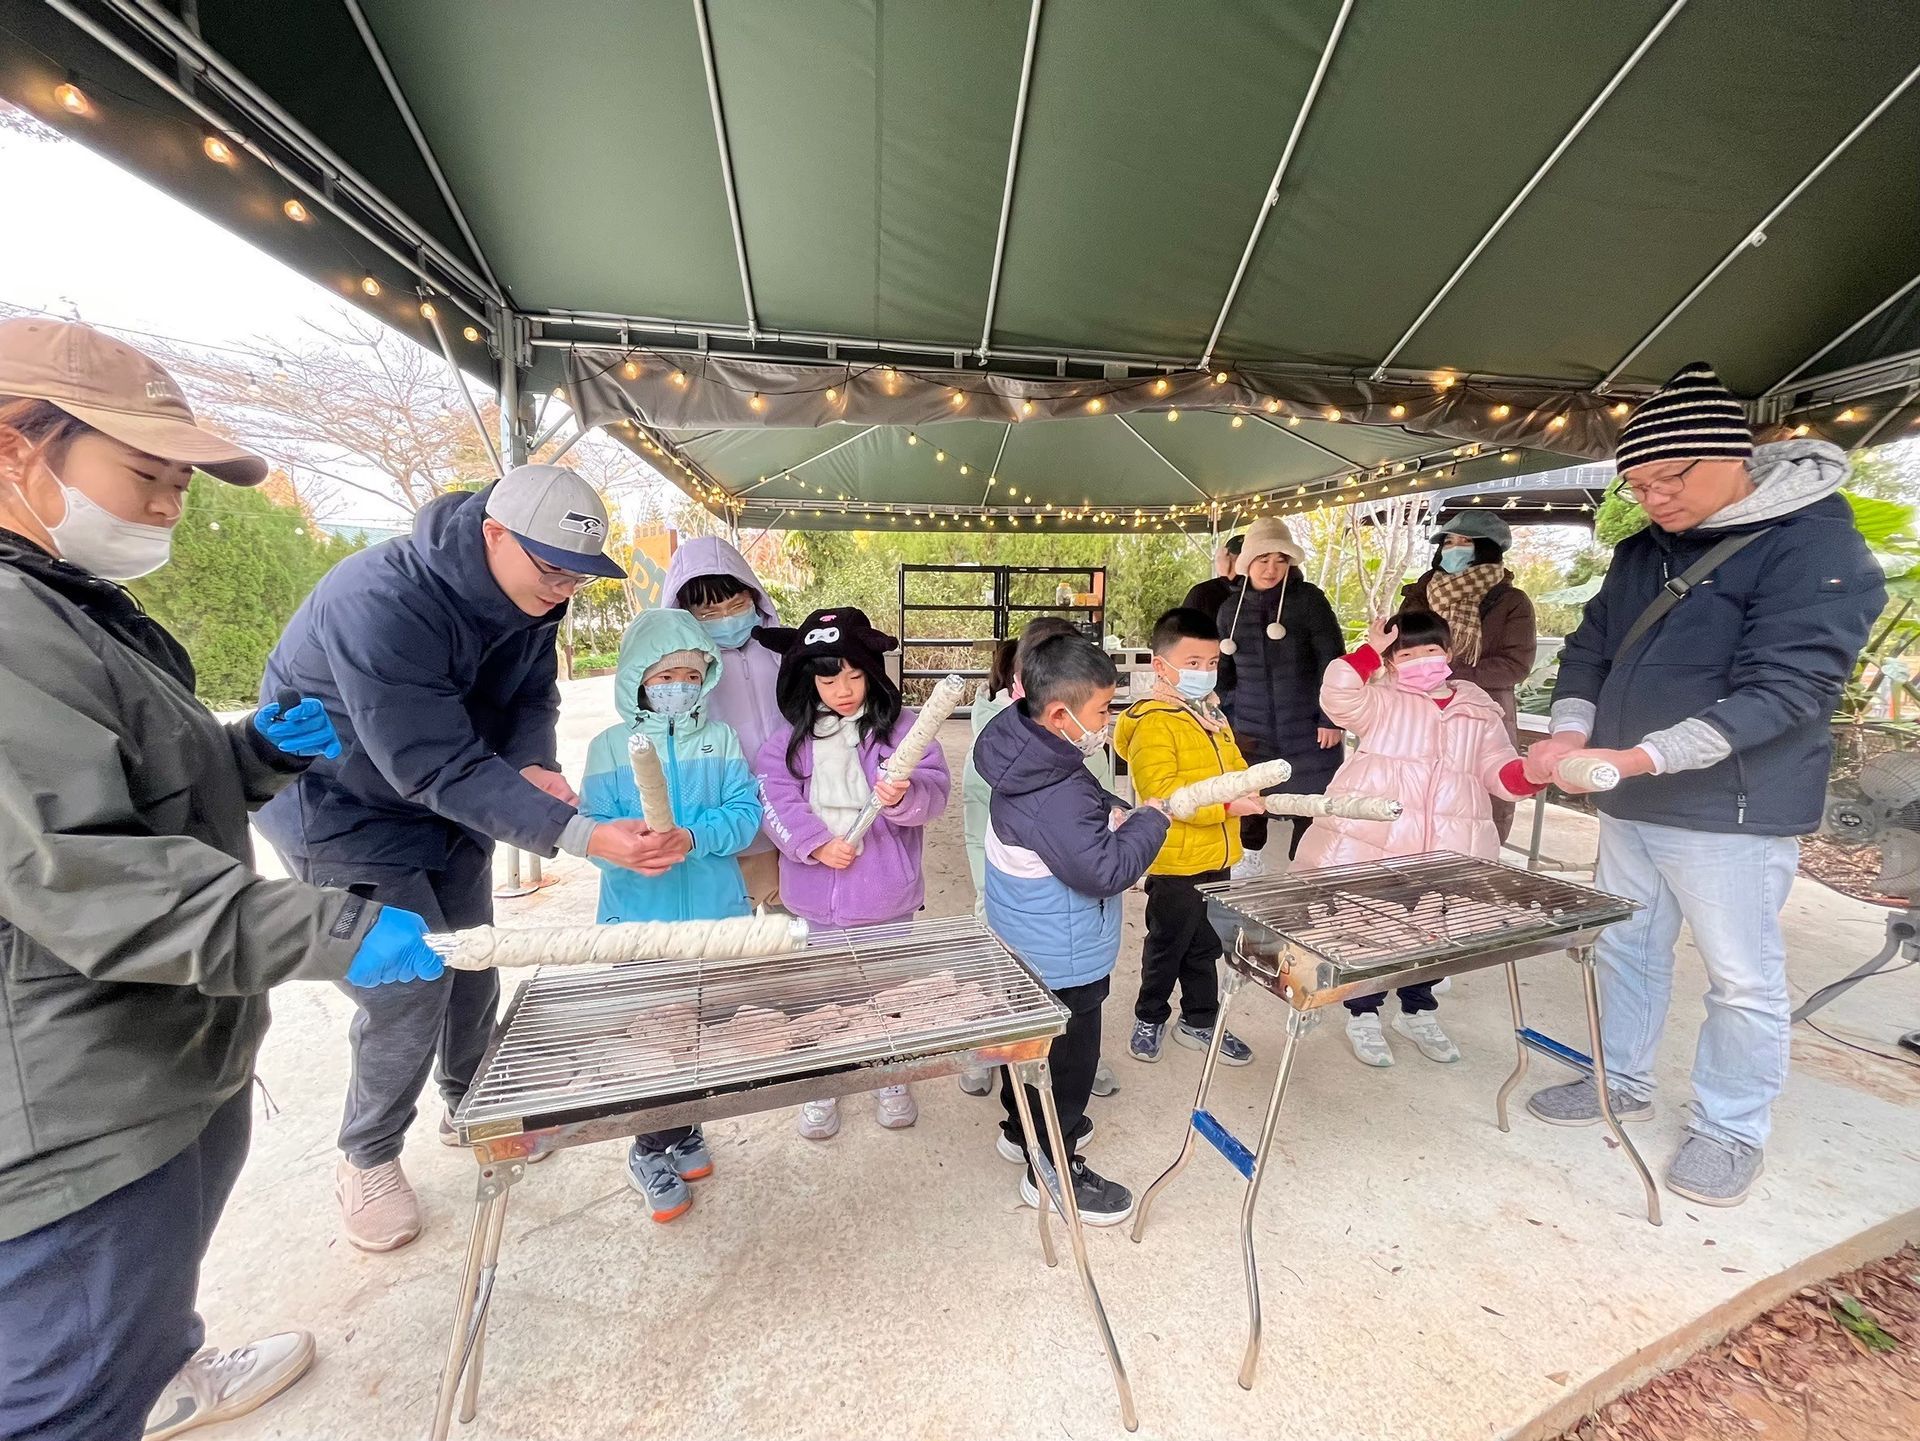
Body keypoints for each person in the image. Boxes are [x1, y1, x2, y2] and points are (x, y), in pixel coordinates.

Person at [0, 319, 440, 1441]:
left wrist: (246, 756)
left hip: (149, 1061)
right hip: (70, 1103)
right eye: (144, 474)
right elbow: (84, 872)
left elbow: (123, 792)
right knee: (65, 1386)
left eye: (179, 485)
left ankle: (165, 1366)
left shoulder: (64, 602)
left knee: (136, 1316)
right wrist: (333, 927)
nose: (165, 506)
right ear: (16, 447)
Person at [258, 463, 665, 1253]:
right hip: (341, 809)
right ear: (494, 535)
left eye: (578, 576)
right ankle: (368, 1153)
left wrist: (533, 764)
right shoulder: (378, 599)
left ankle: (472, 1102)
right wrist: (577, 833)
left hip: (450, 802)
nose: (564, 590)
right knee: (408, 982)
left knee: (473, 959)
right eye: (552, 570)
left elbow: (530, 698)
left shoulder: (535, 599)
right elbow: (431, 761)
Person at [1525, 363, 1884, 1208]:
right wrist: (1571, 732)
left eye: (1670, 478)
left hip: (1733, 808)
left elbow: (1787, 689)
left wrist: (1642, 756)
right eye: (1638, 484)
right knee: (1626, 945)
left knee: (1742, 977)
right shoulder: (1640, 551)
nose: (1653, 498)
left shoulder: (1814, 546)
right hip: (1629, 798)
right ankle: (1620, 1079)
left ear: (1732, 456)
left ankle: (1730, 1128)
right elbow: (1590, 648)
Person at [974, 636, 1170, 1225]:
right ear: (1061, 715)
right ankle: (1052, 1167)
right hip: (1064, 957)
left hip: (1025, 944)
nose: (1107, 722)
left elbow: (1081, 803)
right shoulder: (1055, 794)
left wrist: (1110, 808)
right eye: (1103, 710)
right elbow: (1105, 871)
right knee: (1068, 1063)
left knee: (1028, 1046)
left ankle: (1020, 1131)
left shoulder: (1026, 747)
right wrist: (1150, 821)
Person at [1296, 612, 1548, 1067]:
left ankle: (1417, 1011)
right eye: (1406, 654)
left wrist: (1531, 773)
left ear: (1449, 652)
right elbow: (1338, 695)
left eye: (1430, 650)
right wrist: (1370, 652)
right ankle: (1363, 1014)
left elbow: (1498, 768)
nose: (1420, 660)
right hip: (1378, 837)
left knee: (1438, 932)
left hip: (1453, 840)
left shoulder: (1478, 709)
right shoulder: (1381, 701)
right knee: (1369, 927)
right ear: (1392, 663)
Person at [579, 609, 763, 1222]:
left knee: (707, 1032)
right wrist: (626, 849)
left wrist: (692, 836)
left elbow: (745, 815)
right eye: (664, 675)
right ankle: (648, 1148)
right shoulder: (609, 748)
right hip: (640, 922)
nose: (679, 685)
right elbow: (591, 832)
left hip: (715, 917)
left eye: (691, 674)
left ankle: (683, 1129)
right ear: (637, 679)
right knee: (656, 1039)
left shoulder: (721, 740)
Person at [756, 608, 951, 1137]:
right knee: (823, 994)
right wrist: (814, 845)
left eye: (854, 675)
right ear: (806, 680)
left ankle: (891, 1074)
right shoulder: (788, 741)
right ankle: (825, 1078)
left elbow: (935, 792)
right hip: (813, 902)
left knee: (888, 991)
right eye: (827, 679)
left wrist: (905, 796)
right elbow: (773, 797)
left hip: (886, 898)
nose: (842, 690)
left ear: (873, 673)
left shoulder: (905, 731)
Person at [961, 617, 1122, 1098]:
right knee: (1007, 971)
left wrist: (1115, 818)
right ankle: (991, 1047)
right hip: (1017, 878)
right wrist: (991, 888)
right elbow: (978, 818)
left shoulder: (1084, 728)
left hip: (1070, 878)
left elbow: (1099, 795)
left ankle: (1073, 1059)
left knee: (1064, 992)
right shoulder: (1001, 729)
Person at [1113, 607, 1261, 1067]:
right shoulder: (1154, 720)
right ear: (1161, 666)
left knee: (1206, 944)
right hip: (1175, 860)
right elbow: (1163, 794)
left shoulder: (1211, 713)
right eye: (1192, 663)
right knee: (1167, 943)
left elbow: (1234, 767)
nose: (1204, 671)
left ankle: (1200, 1019)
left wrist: (1249, 785)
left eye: (1212, 662)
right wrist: (1227, 806)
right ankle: (1150, 1015)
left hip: (1217, 854)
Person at [1216, 515, 1346, 875]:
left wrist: (1331, 718)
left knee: (1311, 804)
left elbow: (1333, 660)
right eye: (1263, 559)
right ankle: (1249, 860)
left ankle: (1307, 869)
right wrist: (1227, 717)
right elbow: (1223, 674)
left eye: (1280, 560)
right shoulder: (1229, 610)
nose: (1271, 569)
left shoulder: (1309, 601)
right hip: (1250, 728)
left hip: (1309, 728)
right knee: (1249, 797)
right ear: (1247, 562)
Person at [663, 535, 786, 908]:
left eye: (737, 605)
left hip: (788, 816)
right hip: (724, 822)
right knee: (731, 923)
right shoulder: (680, 669)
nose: (727, 619)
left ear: (755, 598)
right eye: (708, 614)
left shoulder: (781, 649)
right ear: (685, 613)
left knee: (792, 921)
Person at [1398, 512, 1537, 842]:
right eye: (1448, 542)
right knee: (1412, 792)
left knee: (1478, 796)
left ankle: (1475, 863)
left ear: (1487, 549)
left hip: (1481, 711)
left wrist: (1448, 675)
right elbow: (1399, 646)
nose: (1453, 548)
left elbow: (1515, 664)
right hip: (1418, 707)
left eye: (1465, 542)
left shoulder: (1511, 602)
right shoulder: (1419, 595)